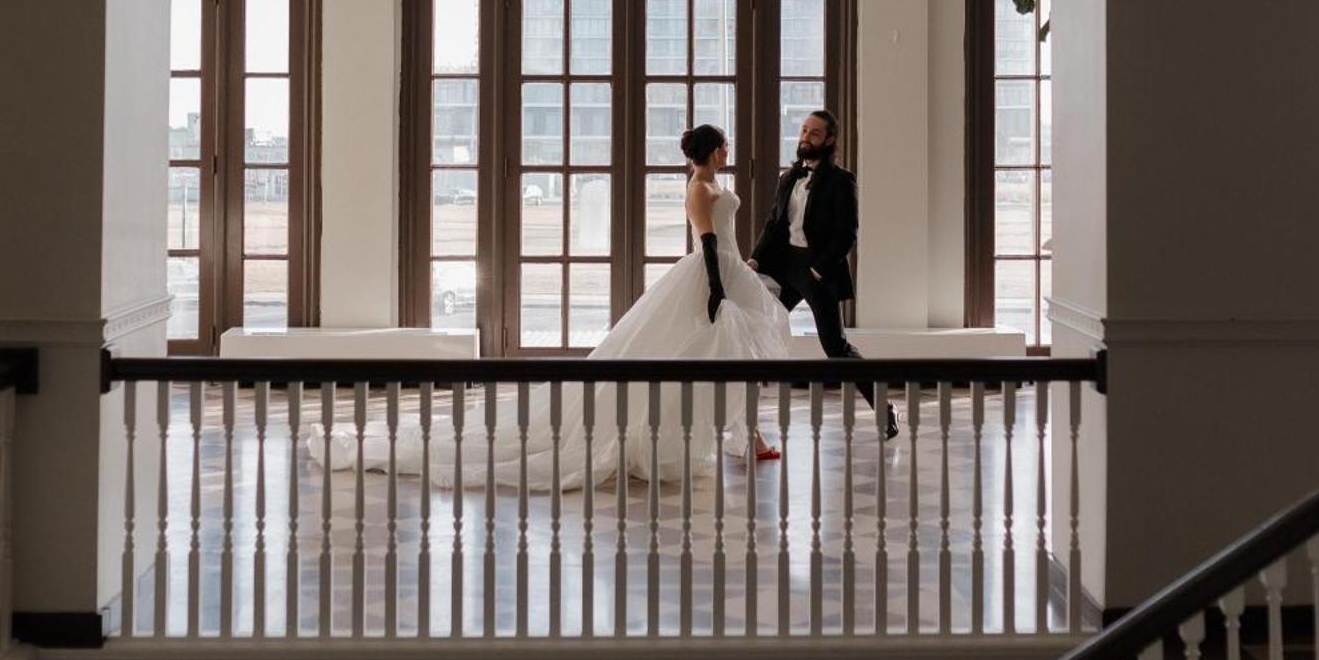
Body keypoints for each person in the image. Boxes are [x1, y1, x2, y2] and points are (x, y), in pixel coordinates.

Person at [325, 124, 789, 488]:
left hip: (729, 268)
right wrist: (714, 287)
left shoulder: (713, 185)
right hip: (711, 273)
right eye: (725, 147)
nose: (729, 153)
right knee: (712, 355)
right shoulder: (699, 190)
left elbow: (721, 240)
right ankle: (739, 437)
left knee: (732, 355)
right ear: (713, 151)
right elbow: (708, 241)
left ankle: (749, 436)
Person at [751, 110, 898, 439]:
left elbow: (847, 233)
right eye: (804, 131)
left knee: (836, 347)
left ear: (829, 140)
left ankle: (884, 407)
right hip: (784, 266)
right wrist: (756, 261)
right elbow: (774, 225)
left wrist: (818, 270)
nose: (805, 137)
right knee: (757, 329)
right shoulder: (788, 178)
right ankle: (748, 424)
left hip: (818, 271)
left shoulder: (842, 180)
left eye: (814, 133)